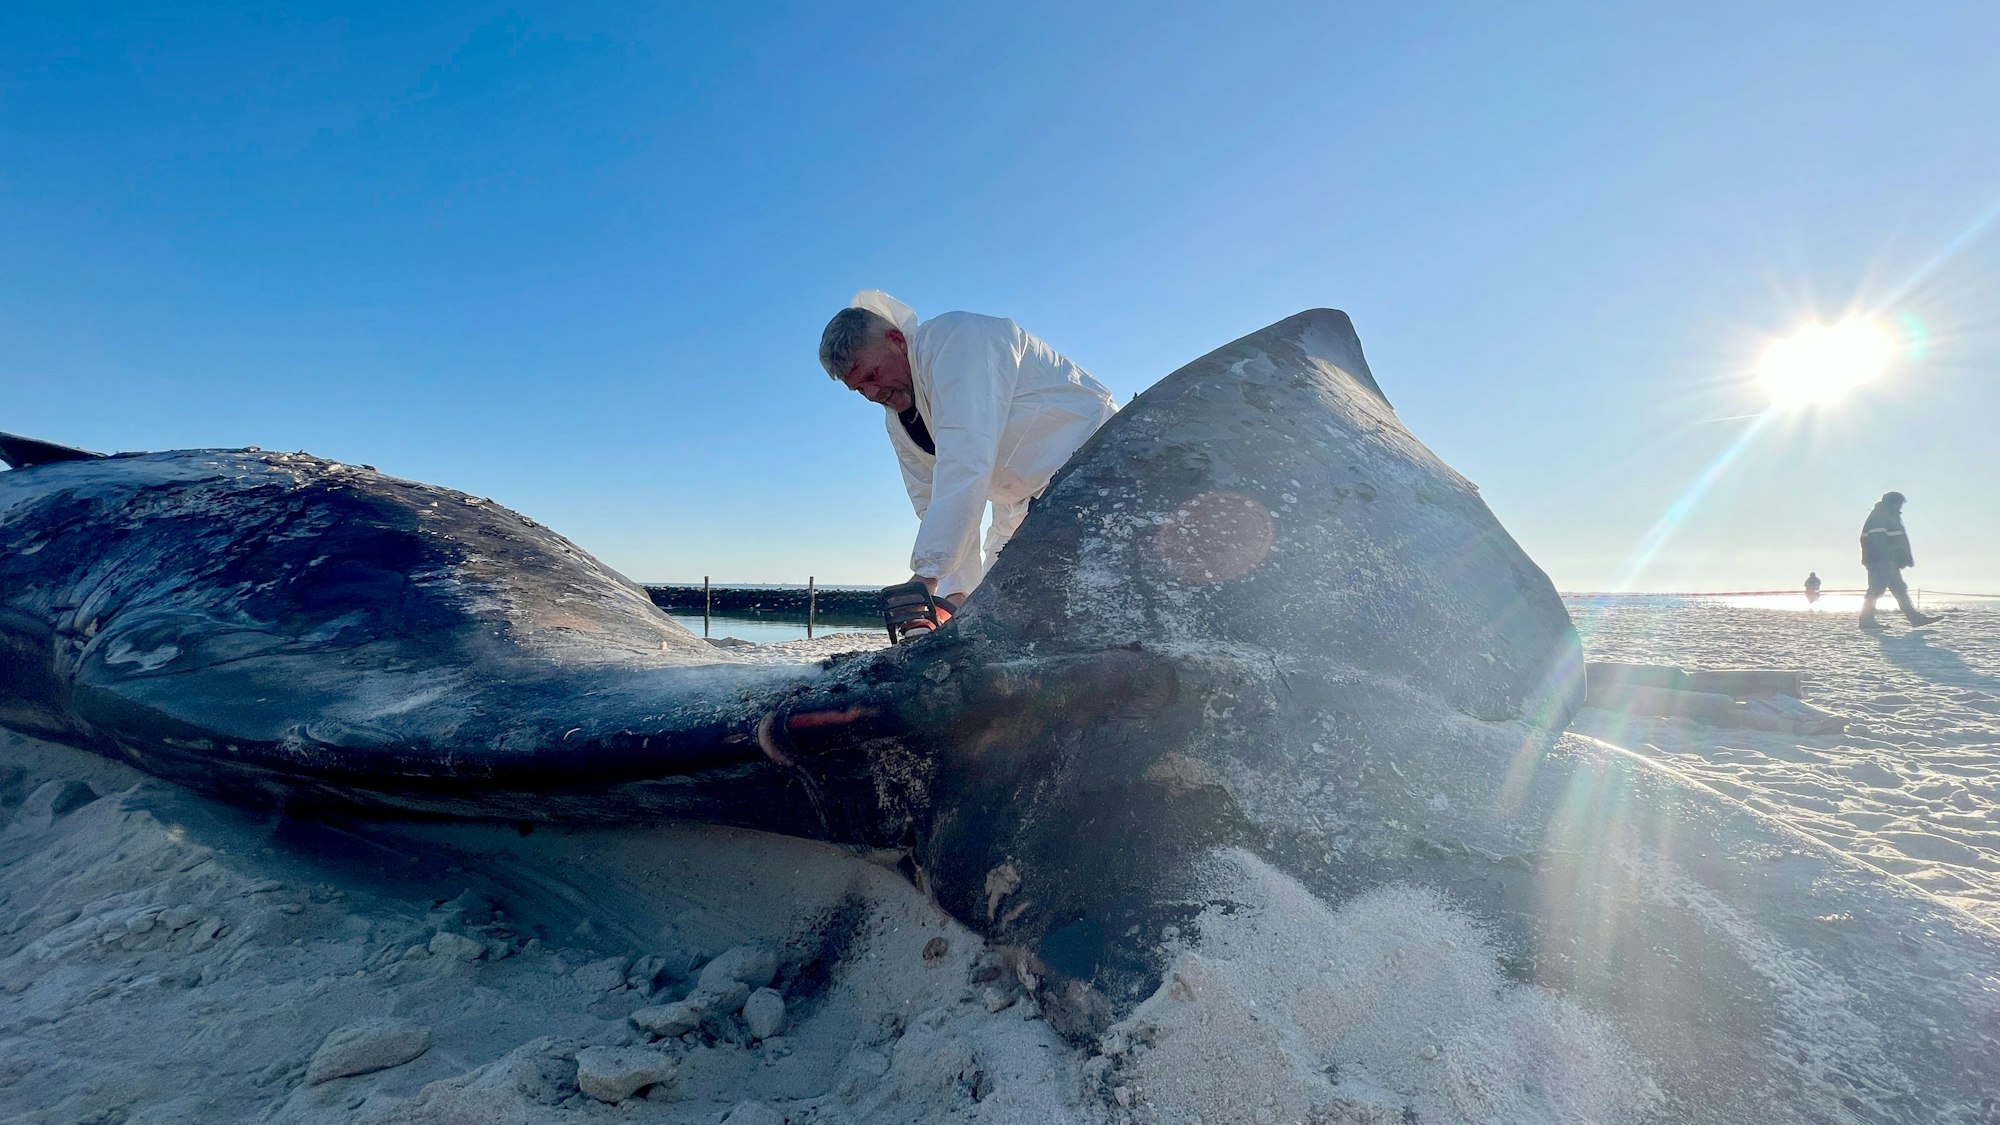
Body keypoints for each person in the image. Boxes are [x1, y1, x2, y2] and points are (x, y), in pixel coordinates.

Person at [819, 291, 1119, 634]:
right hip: (1020, 502)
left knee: (1068, 606)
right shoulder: (897, 419)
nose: (872, 395)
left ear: (896, 340)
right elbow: (936, 505)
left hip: (1095, 461)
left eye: (871, 376)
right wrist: (956, 593)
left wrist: (925, 578)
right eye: (859, 390)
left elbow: (965, 460)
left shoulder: (956, 341)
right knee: (993, 604)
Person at [1857, 491, 1942, 628]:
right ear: (1893, 503)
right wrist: (1888, 558)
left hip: (1888, 561)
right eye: (1900, 503)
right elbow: (1877, 540)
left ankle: (1914, 618)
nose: (1901, 506)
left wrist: (1902, 558)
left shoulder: (1889, 515)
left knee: (1899, 589)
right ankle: (1866, 620)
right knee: (1876, 590)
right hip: (1882, 561)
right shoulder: (1881, 516)